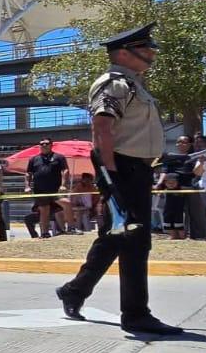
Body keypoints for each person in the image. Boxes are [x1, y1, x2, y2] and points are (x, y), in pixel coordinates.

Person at [57, 23, 183, 334]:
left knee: (117, 237)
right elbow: (102, 130)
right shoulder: (114, 83)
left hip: (134, 169)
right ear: (124, 53)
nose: (152, 53)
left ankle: (75, 291)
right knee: (136, 241)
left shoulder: (131, 83)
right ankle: (136, 314)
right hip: (122, 169)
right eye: (146, 48)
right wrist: (110, 178)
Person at [25, 139, 71, 239]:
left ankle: (70, 228)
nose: (44, 145)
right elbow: (28, 173)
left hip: (56, 189)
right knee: (44, 210)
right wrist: (27, 186)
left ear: (51, 145)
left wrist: (63, 185)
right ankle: (45, 233)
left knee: (66, 204)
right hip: (40, 190)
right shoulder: (34, 159)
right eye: (41, 144)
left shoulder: (59, 157)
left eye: (46, 143)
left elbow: (65, 170)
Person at [157, 135, 196, 240]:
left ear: (190, 144)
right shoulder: (170, 157)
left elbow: (195, 173)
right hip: (171, 187)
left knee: (183, 212)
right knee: (169, 211)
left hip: (187, 188)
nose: (181, 144)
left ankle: (184, 234)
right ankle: (173, 235)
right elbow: (164, 171)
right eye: (179, 142)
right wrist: (159, 184)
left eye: (184, 142)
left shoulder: (193, 157)